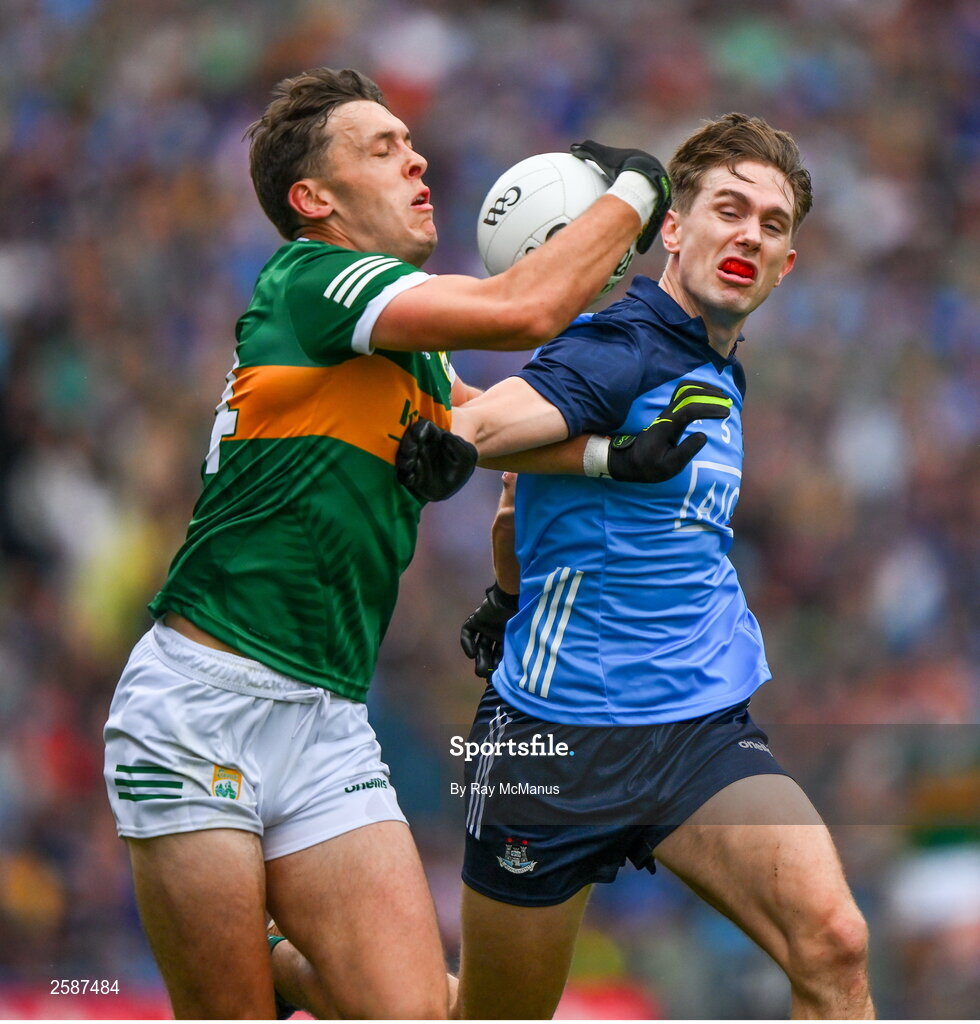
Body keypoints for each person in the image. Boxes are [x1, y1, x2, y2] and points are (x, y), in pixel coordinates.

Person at [101, 66, 672, 1019]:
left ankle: (283, 958)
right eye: (381, 148)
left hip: (324, 722)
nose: (415, 162)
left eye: (411, 145)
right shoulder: (313, 280)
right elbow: (522, 312)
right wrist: (636, 188)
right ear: (312, 199)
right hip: (197, 712)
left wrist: (617, 457)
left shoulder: (409, 348)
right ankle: (272, 966)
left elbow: (497, 423)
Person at [402, 112, 875, 1019]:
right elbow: (509, 418)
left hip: (696, 731)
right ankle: (307, 975)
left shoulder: (719, 365)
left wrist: (506, 594)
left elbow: (515, 505)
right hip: (555, 744)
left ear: (788, 264)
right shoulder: (624, 344)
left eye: (773, 226)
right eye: (729, 210)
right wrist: (461, 434)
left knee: (835, 942)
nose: (749, 234)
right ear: (673, 229)